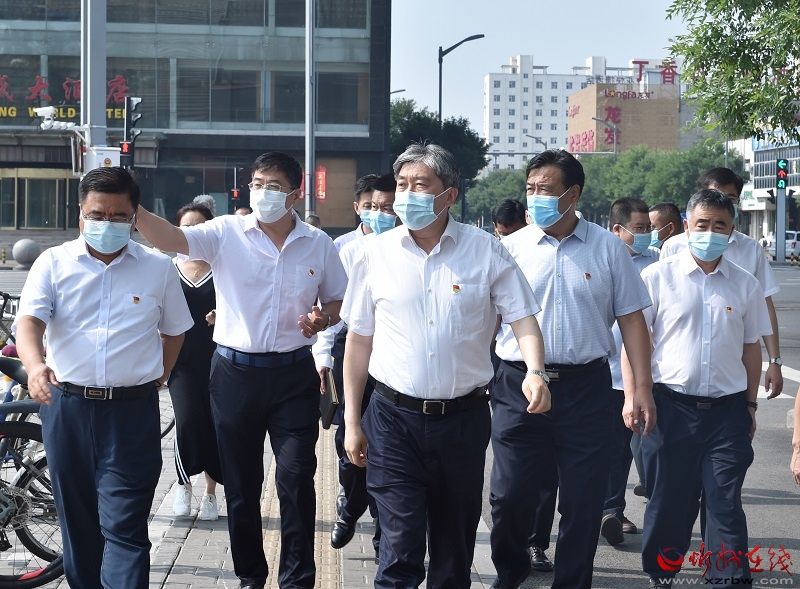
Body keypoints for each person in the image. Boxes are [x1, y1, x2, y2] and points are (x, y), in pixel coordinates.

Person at [134, 151, 348, 589]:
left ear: (295, 193)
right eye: (257, 183)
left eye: (273, 185)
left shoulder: (318, 243)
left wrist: (322, 318)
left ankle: (297, 579)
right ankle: (251, 573)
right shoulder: (226, 232)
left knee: (296, 478)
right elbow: (171, 238)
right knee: (242, 483)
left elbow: (337, 299)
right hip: (234, 374)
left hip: (293, 374)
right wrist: (129, 203)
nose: (262, 192)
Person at [342, 142, 550, 589]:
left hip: (462, 422)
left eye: (421, 185)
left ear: (449, 194)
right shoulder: (374, 254)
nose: (407, 194)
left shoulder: (485, 250)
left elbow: (523, 319)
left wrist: (536, 372)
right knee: (399, 550)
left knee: (453, 554)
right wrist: (352, 422)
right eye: (402, 185)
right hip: (392, 420)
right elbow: (359, 341)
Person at [14, 167, 193, 589]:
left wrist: (162, 373)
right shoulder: (53, 263)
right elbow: (30, 322)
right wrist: (36, 366)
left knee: (126, 526)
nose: (107, 223)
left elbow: (175, 330)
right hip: (67, 408)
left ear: (134, 217)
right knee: (78, 528)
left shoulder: (158, 268)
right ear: (81, 215)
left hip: (131, 413)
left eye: (118, 216)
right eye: (97, 215)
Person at [490, 149, 654, 589]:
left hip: (586, 389)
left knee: (583, 502)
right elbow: (486, 320)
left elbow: (632, 321)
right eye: (530, 188)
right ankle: (510, 574)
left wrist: (640, 389)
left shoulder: (607, 248)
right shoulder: (510, 249)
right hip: (518, 385)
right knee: (508, 495)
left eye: (545, 188)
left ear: (573, 193)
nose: (535, 196)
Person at [632, 189, 771, 587]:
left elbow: (751, 348)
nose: (711, 232)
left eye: (720, 225)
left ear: (732, 230)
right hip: (669, 409)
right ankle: (662, 571)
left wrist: (750, 406)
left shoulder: (745, 284)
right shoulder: (657, 277)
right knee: (670, 501)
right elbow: (635, 342)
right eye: (703, 224)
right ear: (687, 226)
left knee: (724, 501)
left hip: (727, 414)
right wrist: (636, 394)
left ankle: (727, 579)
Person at [312, 172, 397, 558]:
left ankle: (382, 532)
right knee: (350, 439)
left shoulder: (410, 247)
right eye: (373, 207)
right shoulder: (344, 249)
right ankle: (351, 503)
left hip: (394, 354)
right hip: (352, 351)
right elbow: (330, 311)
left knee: (389, 448)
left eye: (387, 207)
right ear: (359, 208)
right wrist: (323, 359)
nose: (380, 213)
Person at [660, 168, 784, 400]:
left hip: (730, 369)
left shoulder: (750, 249)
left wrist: (774, 360)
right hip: (676, 382)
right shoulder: (673, 247)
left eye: (730, 198)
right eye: (716, 195)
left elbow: (764, 305)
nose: (722, 201)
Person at [600, 197, 661, 546]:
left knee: (646, 445)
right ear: (617, 230)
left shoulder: (657, 262)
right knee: (615, 447)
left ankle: (656, 503)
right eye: (638, 229)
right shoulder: (603, 258)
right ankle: (611, 510)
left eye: (648, 228)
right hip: (608, 372)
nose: (645, 234)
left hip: (649, 375)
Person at [169, 202, 224, 521]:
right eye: (185, 226)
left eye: (198, 226)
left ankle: (210, 494)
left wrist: (223, 315)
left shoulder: (223, 267)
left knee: (215, 423)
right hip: (181, 361)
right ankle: (183, 484)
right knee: (187, 419)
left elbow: (242, 305)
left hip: (219, 359)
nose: (191, 232)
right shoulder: (168, 269)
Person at [334, 174, 380, 251]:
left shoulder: (397, 242)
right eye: (368, 206)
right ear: (357, 208)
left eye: (376, 206)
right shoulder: (341, 244)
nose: (374, 211)